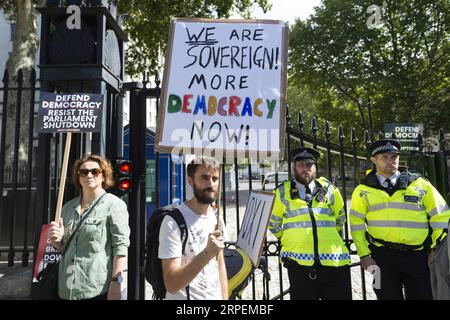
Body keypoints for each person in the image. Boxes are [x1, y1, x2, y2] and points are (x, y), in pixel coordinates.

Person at [349, 139, 450, 300]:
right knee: (383, 295)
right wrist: (364, 256)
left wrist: (434, 250)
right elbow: (356, 225)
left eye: (394, 157)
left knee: (424, 296)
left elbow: (442, 216)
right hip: (381, 258)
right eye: (385, 157)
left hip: (418, 257)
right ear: (374, 160)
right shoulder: (363, 190)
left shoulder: (420, 184)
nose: (391, 161)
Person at [269, 147, 352, 300]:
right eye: (301, 165)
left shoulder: (330, 190)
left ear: (315, 167)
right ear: (294, 167)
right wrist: (290, 239)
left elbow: (340, 218)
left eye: (309, 165)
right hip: (299, 264)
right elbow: (273, 224)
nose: (305, 169)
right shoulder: (281, 193)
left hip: (334, 262)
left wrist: (326, 235)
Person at [48, 154, 130, 300]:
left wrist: (116, 282)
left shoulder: (114, 205)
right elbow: (64, 248)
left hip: (96, 288)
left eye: (95, 171)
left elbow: (121, 247)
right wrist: (57, 241)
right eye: (84, 172)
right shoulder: (67, 208)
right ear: (78, 178)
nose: (89, 175)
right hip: (66, 289)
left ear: (103, 176)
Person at [159, 155, 228, 300]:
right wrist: (207, 254)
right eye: (204, 177)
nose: (211, 184)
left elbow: (220, 266)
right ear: (190, 180)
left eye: (215, 179)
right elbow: (171, 284)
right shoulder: (173, 221)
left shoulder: (216, 218)